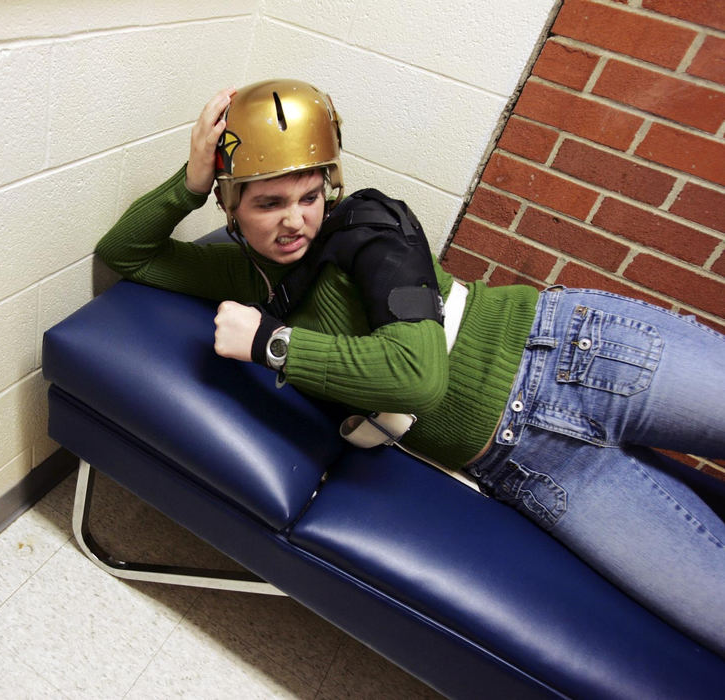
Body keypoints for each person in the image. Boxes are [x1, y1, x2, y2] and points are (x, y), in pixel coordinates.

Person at [95, 79, 725, 657]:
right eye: (269, 202)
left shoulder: (373, 225)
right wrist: (191, 181)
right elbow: (127, 253)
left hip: (577, 357)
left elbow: (419, 379)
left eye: (310, 195)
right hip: (529, 466)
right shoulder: (245, 276)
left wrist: (272, 344)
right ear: (231, 207)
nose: (296, 220)